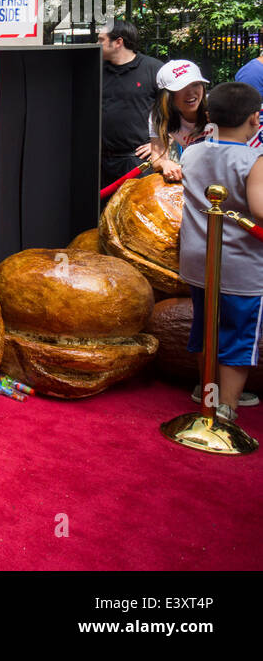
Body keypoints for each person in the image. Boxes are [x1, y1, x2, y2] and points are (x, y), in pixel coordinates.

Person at [178, 82, 263, 422]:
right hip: (240, 267)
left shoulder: (194, 151)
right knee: (238, 336)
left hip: (199, 261)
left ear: (209, 116)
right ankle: (224, 407)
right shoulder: (253, 159)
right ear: (255, 120)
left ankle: (206, 390)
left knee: (206, 326)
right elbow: (259, 210)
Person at [98, 21, 161, 187]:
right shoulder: (96, 70)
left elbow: (172, 110)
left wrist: (160, 143)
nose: (97, 45)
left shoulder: (153, 69)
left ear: (118, 42)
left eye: (101, 40)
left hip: (137, 161)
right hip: (100, 162)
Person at [137, 60, 208, 182]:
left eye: (195, 84)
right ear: (167, 95)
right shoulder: (160, 116)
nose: (191, 92)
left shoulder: (217, 108)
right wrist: (165, 164)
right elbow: (157, 158)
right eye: (181, 87)